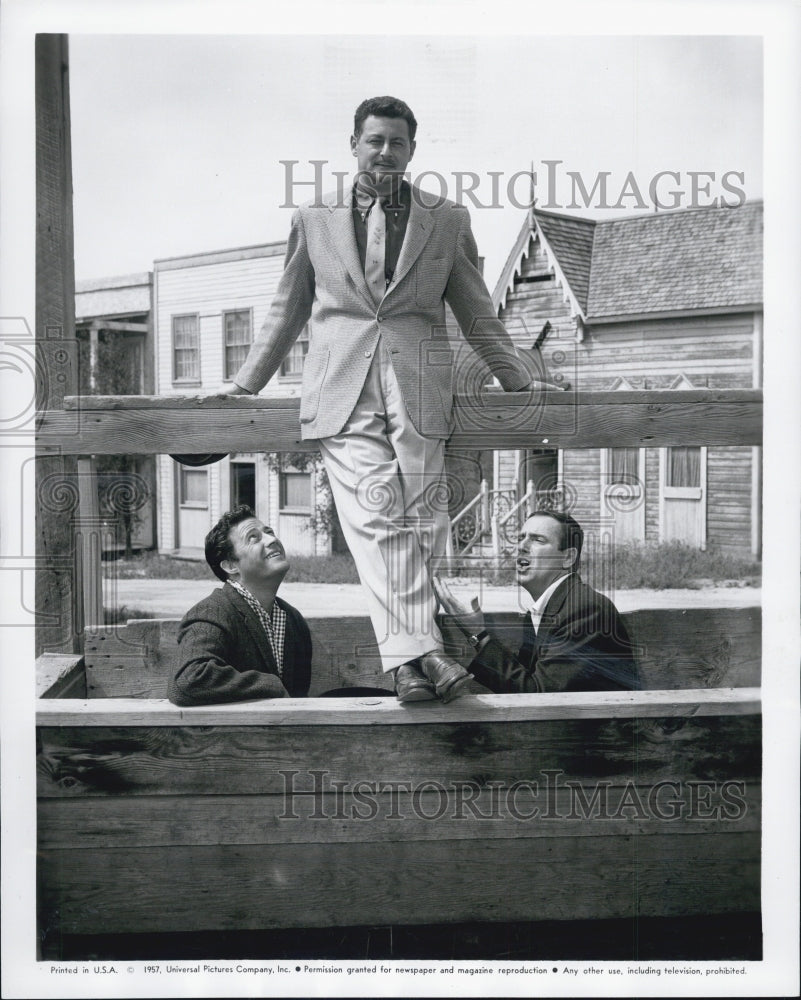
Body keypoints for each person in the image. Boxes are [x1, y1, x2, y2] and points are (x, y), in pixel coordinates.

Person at [228, 95, 554, 703]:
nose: (385, 152)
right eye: (374, 140)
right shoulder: (315, 216)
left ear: (411, 149)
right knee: (380, 521)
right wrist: (246, 382)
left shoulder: (446, 219)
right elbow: (288, 305)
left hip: (420, 389)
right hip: (340, 390)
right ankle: (422, 652)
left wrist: (517, 378)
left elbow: (476, 308)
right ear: (354, 144)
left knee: (421, 525)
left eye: (397, 142)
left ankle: (411, 666)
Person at [434, 510, 640, 692]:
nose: (522, 547)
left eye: (537, 540)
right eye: (521, 537)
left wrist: (478, 635)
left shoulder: (586, 609)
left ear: (567, 558)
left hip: (605, 734)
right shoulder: (548, 608)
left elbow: (538, 693)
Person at [168, 505, 312, 706]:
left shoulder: (292, 619)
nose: (272, 540)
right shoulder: (213, 611)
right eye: (254, 537)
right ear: (230, 566)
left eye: (269, 532)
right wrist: (272, 686)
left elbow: (299, 696)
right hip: (226, 737)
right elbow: (188, 680)